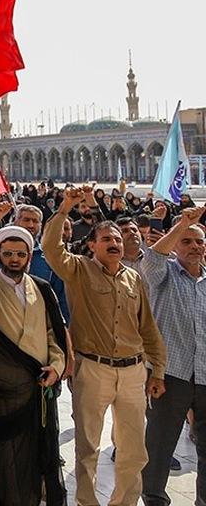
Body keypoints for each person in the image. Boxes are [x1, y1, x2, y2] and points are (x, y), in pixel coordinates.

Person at [42, 185, 167, 506]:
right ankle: (88, 502)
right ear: (92, 245)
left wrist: (158, 371)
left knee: (134, 450)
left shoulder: (133, 278)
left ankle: (123, 502)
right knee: (88, 448)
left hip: (132, 372)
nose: (115, 242)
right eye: (107, 239)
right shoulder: (78, 269)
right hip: (92, 369)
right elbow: (52, 249)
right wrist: (64, 209)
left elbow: (148, 327)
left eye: (117, 238)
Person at [0, 227, 67, 506]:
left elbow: (52, 334)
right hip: (3, 390)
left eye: (21, 254)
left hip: (38, 386)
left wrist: (57, 367)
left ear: (28, 257)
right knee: (7, 459)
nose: (14, 259)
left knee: (39, 454)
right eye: (8, 254)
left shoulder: (40, 287)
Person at [140, 205, 206, 506]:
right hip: (170, 375)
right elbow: (152, 258)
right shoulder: (163, 276)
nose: (194, 246)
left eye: (199, 241)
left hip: (204, 375)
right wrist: (182, 224)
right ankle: (155, 500)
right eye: (187, 241)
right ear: (176, 244)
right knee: (159, 446)